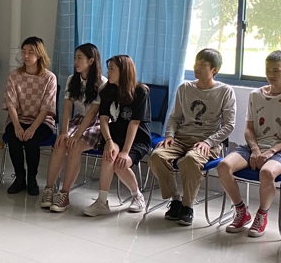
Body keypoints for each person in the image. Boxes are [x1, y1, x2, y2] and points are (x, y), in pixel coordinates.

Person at [220, 51, 281, 238]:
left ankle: (262, 215)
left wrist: (271, 151)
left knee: (267, 172)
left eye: (276, 71)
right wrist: (255, 149)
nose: (271, 75)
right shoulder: (255, 95)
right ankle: (241, 211)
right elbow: (248, 129)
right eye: (268, 70)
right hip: (255, 146)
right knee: (223, 166)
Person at [149, 48, 236, 226]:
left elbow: (229, 125)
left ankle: (187, 206)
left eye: (203, 65)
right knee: (156, 156)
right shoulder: (185, 88)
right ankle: (175, 200)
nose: (197, 67)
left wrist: (208, 142)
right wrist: (169, 135)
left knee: (190, 160)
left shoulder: (225, 91)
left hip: (207, 142)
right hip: (181, 138)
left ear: (214, 70)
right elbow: (174, 117)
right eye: (196, 63)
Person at [83, 54, 150, 217]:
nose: (108, 72)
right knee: (110, 155)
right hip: (115, 135)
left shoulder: (140, 91)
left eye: (112, 69)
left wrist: (125, 151)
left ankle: (137, 196)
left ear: (124, 71)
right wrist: (108, 141)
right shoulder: (107, 90)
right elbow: (103, 119)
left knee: (120, 163)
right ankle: (102, 202)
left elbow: (134, 123)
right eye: (109, 68)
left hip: (136, 138)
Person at [41, 44, 105, 214]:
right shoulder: (72, 79)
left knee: (75, 147)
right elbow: (67, 109)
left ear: (91, 61)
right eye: (75, 57)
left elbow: (92, 113)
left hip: (97, 124)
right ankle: (49, 189)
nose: (76, 61)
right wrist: (64, 132)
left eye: (80, 58)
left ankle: (65, 194)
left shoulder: (102, 83)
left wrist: (76, 135)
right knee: (60, 143)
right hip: (79, 119)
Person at [1, 36, 57, 197]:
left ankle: (32, 179)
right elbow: (10, 103)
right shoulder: (14, 75)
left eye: (30, 52)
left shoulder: (49, 78)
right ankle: (19, 177)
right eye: (24, 51)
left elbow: (46, 107)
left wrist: (33, 128)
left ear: (39, 54)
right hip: (17, 119)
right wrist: (17, 126)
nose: (26, 55)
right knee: (14, 138)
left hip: (42, 121)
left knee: (32, 141)